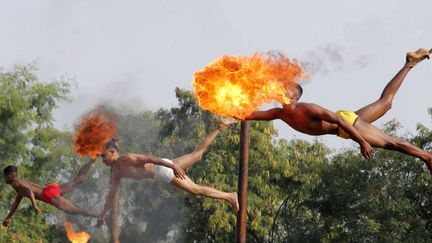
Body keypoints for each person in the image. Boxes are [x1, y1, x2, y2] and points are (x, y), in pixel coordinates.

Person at [244, 48, 432, 173]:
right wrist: (227, 106)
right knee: (385, 102)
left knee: (390, 143)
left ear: (294, 97)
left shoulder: (307, 108)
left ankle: (427, 157)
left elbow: (340, 121)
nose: (280, 90)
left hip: (346, 124)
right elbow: (247, 115)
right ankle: (410, 63)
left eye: (286, 89)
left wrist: (361, 142)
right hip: (346, 123)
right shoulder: (279, 113)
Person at [96, 117, 239, 228]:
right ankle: (220, 127)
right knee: (197, 155)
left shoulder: (126, 158)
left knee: (196, 190)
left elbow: (150, 158)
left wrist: (173, 168)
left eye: (103, 156)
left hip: (163, 170)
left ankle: (229, 196)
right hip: (166, 166)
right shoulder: (116, 172)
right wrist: (102, 215)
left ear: (112, 151)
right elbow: (111, 195)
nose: (102, 160)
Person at [2, 159, 98, 226]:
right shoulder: (19, 182)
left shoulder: (16, 183)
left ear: (10, 175)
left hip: (47, 195)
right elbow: (16, 202)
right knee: (76, 181)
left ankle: (100, 215)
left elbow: (29, 191)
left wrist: (35, 206)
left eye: (5, 176)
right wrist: (8, 217)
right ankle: (91, 161)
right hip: (50, 189)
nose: (4, 178)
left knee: (74, 210)